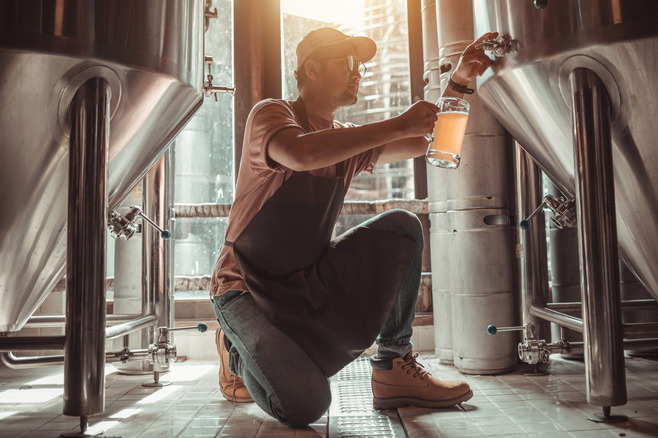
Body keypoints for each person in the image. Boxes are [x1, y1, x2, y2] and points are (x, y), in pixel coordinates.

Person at [210, 27, 497, 427]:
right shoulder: (273, 114)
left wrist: (460, 83)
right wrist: (397, 124)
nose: (357, 72)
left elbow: (427, 142)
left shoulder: (345, 140)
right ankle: (237, 353)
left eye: (360, 66)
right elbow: (301, 152)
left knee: (402, 227)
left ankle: (393, 364)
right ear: (311, 68)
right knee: (306, 405)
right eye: (346, 63)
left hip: (304, 284)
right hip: (245, 290)